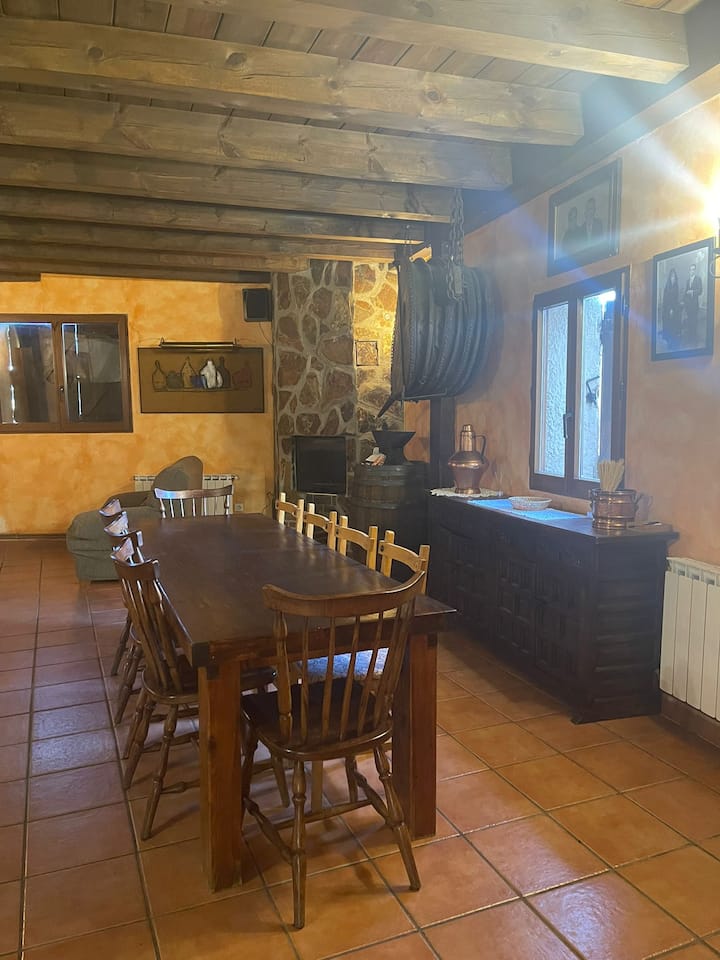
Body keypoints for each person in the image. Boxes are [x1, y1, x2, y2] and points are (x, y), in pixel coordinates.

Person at [661, 267, 681, 347]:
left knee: (673, 326)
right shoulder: (667, 286)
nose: (673, 278)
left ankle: (673, 342)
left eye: (674, 277)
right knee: (668, 325)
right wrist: (669, 309)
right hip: (667, 309)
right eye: (672, 277)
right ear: (670, 277)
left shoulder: (676, 286)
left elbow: (675, 299)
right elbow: (666, 299)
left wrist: (673, 309)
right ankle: (669, 342)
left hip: (674, 309)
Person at [682, 262, 702, 342]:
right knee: (689, 320)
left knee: (694, 321)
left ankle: (694, 338)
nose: (692, 271)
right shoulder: (688, 280)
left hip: (694, 304)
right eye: (690, 270)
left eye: (693, 269)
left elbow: (700, 291)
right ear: (689, 271)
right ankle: (690, 336)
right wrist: (683, 301)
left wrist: (692, 292)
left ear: (695, 270)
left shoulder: (698, 279)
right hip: (688, 305)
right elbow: (686, 292)